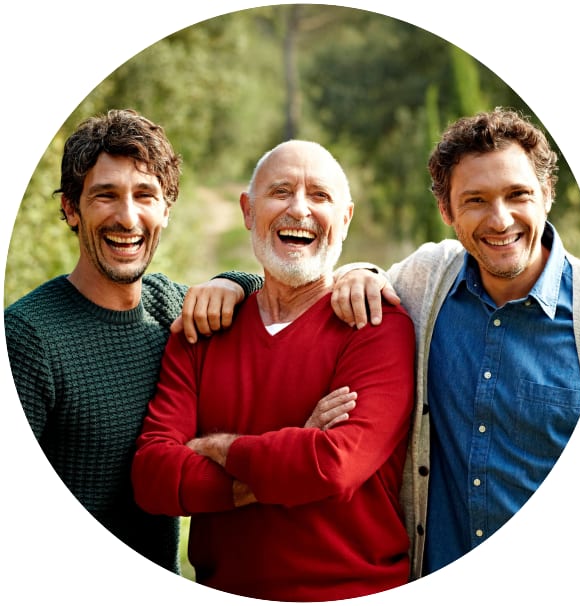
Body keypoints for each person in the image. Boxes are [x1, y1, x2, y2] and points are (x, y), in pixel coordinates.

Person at [131, 140, 416, 601]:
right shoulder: (201, 330)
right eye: (280, 191)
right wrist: (290, 456)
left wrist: (217, 447)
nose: (299, 209)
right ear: (247, 210)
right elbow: (153, 476)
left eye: (320, 196)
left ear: (345, 218)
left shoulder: (377, 325)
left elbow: (332, 466)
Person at [329, 107, 580, 577]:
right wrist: (356, 273)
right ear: (446, 211)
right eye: (475, 200)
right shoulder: (426, 281)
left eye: (518, 195)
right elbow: (333, 287)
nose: (500, 221)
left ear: (547, 195)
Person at [3, 109, 262, 573]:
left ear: (165, 210)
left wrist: (237, 282)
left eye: (145, 195)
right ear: (70, 209)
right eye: (105, 196)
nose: (128, 217)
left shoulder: (174, 309)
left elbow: (281, 306)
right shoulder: (28, 337)